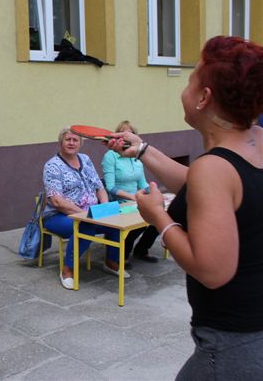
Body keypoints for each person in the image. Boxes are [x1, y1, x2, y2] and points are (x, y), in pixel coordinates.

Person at [108, 36, 263, 379]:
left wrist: (158, 217)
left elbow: (212, 271)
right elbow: (212, 189)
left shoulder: (214, 167)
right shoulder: (256, 141)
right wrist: (143, 150)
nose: (185, 89)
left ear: (203, 97)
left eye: (191, 79)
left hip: (233, 345)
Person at [43, 128, 128, 290]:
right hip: (59, 216)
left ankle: (111, 262)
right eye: (68, 139)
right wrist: (83, 214)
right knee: (85, 227)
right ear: (61, 142)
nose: (71, 143)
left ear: (81, 143)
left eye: (75, 140)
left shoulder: (85, 159)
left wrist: (104, 208)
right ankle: (67, 269)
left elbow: (99, 187)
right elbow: (56, 201)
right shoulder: (52, 165)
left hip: (90, 213)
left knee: (115, 222)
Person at [102, 120, 159, 265]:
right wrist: (132, 197)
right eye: (123, 133)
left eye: (131, 133)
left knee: (160, 215)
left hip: (135, 201)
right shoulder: (110, 156)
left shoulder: (137, 156)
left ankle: (142, 249)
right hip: (119, 202)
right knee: (140, 221)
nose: (127, 136)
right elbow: (110, 187)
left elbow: (142, 184)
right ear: (117, 137)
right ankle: (123, 254)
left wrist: (153, 191)